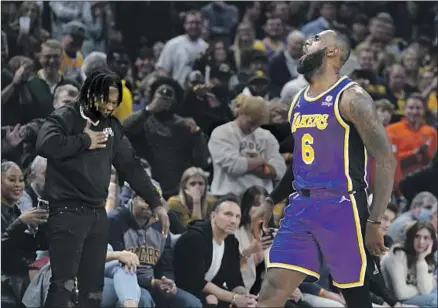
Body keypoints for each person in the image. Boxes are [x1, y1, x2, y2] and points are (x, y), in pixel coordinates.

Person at [253, 30, 397, 308]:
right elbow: (299, 162)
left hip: (342, 206)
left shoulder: (352, 98)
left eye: (316, 39)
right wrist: (272, 200)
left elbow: (386, 159)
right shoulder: (298, 100)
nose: (307, 42)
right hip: (302, 205)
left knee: (355, 296)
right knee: (271, 289)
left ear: (333, 52)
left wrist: (375, 221)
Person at [35, 68, 169, 308]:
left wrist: (156, 201)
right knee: (63, 286)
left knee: (93, 290)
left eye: (114, 103)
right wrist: (85, 141)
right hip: (66, 209)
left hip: (97, 213)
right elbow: (45, 144)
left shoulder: (112, 127)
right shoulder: (66, 116)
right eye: (106, 100)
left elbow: (131, 166)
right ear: (90, 94)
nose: (109, 107)